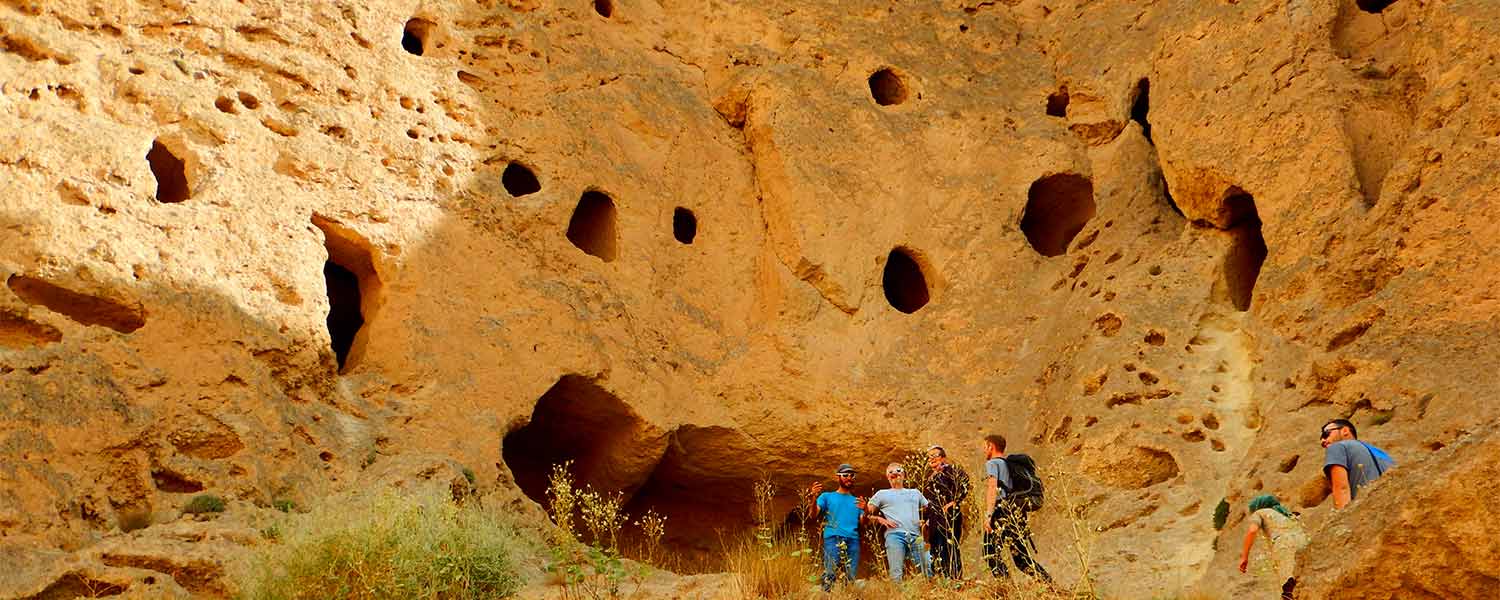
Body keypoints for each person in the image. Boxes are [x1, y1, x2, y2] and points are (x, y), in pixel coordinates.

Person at [980, 434, 1051, 582]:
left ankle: (1006, 586)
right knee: (1021, 559)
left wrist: (988, 515)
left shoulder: (992, 464)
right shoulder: (1007, 464)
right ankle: (1048, 583)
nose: (983, 450)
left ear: (991, 446)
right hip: (1014, 511)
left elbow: (992, 489)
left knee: (989, 551)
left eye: (984, 446)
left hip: (1001, 511)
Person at [867, 463, 932, 582]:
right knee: (896, 572)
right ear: (887, 477)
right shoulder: (882, 493)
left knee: (926, 567)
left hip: (916, 535)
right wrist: (880, 519)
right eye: (890, 472)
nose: (895, 473)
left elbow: (930, 509)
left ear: (904, 475)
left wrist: (926, 523)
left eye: (898, 470)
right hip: (894, 535)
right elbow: (868, 513)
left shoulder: (915, 492)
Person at [1237, 494, 1309, 599]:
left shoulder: (1259, 513)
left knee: (1288, 589)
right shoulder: (1287, 515)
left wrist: (1244, 557)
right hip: (1303, 545)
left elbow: (1252, 531)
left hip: (1284, 546)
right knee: (1300, 582)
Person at [809, 463, 866, 591]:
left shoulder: (857, 501)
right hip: (833, 538)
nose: (849, 478)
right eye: (845, 475)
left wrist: (866, 510)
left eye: (852, 475)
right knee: (830, 574)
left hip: (853, 540)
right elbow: (813, 515)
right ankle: (826, 595)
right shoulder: (827, 496)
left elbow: (863, 522)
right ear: (838, 477)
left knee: (850, 576)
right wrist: (813, 497)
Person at [1321, 419, 1395, 509]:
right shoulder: (1383, 454)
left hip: (1367, 511)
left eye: (1326, 434)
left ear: (1345, 431)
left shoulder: (1337, 447)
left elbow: (1342, 488)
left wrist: (1342, 519)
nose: (1322, 440)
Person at [922, 445, 970, 579]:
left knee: (949, 546)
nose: (931, 459)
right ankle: (941, 579)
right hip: (934, 518)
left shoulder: (950, 470)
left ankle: (955, 579)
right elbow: (930, 500)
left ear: (943, 457)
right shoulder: (930, 478)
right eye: (929, 457)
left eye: (935, 455)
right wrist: (926, 518)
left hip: (949, 516)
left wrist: (955, 501)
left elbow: (965, 483)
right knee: (935, 547)